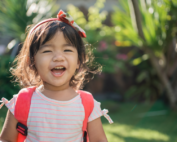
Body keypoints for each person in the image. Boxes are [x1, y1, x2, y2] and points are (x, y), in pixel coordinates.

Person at [0, 10, 113, 142]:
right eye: (47, 50)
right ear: (32, 61)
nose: (58, 57)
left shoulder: (87, 104)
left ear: (79, 60)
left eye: (67, 50)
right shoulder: (22, 102)